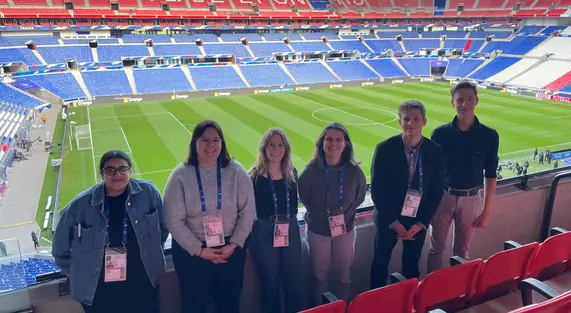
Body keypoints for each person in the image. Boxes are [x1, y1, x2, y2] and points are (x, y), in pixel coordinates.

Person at [52, 150, 168, 313]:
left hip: (143, 280)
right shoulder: (80, 205)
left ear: (130, 171)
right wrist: (74, 274)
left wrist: (155, 252)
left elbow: (163, 228)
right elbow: (60, 248)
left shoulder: (148, 193)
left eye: (122, 168)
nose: (117, 174)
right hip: (99, 288)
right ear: (101, 174)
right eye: (110, 170)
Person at [164, 120, 255, 313]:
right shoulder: (180, 175)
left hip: (230, 248)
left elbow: (248, 211)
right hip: (192, 254)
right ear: (194, 142)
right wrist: (199, 251)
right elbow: (173, 220)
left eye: (216, 140)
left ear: (222, 143)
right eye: (204, 139)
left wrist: (234, 244)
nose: (210, 145)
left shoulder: (236, 171)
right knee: (193, 305)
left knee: (229, 302)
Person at [370, 100, 444, 288]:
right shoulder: (384, 148)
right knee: (380, 264)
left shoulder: (435, 151)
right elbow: (377, 190)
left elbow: (436, 191)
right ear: (399, 121)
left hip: (417, 220)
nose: (410, 123)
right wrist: (394, 223)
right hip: (389, 219)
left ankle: (408, 302)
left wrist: (421, 223)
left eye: (416, 119)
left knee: (412, 266)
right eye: (406, 119)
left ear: (424, 122)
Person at [427, 81, 499, 273]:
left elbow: (491, 175)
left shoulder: (490, 136)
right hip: (443, 197)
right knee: (436, 249)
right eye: (460, 100)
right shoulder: (440, 134)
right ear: (452, 102)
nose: (464, 104)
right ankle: (431, 293)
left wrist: (486, 211)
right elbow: (431, 173)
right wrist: (428, 205)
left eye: (469, 99)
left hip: (471, 199)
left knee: (462, 252)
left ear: (477, 101)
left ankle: (456, 294)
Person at [298, 122, 366, 304]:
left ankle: (341, 307)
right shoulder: (310, 172)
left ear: (346, 144)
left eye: (338, 139)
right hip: (318, 232)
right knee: (318, 276)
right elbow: (305, 198)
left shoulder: (354, 172)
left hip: (345, 232)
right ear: (322, 143)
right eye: (328, 139)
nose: (333, 144)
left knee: (343, 275)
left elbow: (359, 198)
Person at [248, 128, 303, 313]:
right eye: (271, 144)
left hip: (291, 229)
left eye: (280, 145)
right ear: (264, 147)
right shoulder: (254, 176)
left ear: (286, 149)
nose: (275, 149)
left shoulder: (291, 172)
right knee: (269, 283)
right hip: (264, 231)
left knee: (293, 281)